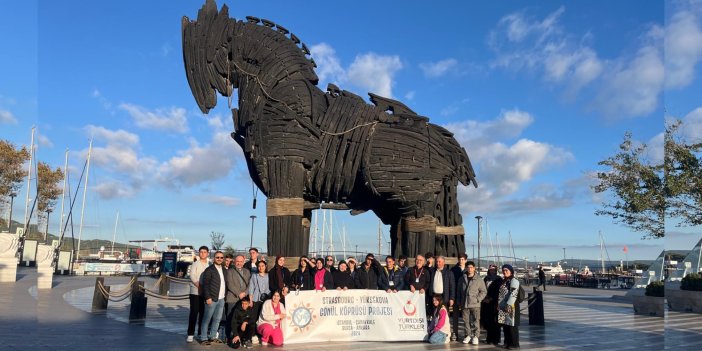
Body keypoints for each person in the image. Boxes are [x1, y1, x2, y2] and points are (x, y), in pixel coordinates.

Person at [201, 251, 227, 345]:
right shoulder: (209, 270)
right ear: (213, 258)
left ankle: (212, 336)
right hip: (211, 298)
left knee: (217, 319)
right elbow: (205, 284)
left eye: (221, 257)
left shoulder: (224, 269)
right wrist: (207, 297)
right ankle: (203, 338)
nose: (219, 259)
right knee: (207, 319)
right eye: (217, 257)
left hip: (221, 299)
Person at [457, 261, 486, 345]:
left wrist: (478, 299)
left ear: (474, 268)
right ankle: (468, 335)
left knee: (476, 321)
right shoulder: (462, 278)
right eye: (468, 267)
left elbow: (483, 291)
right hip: (464, 304)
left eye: (471, 267)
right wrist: (459, 301)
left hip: (475, 304)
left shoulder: (479, 279)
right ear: (466, 268)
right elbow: (459, 291)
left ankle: (476, 336)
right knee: (466, 321)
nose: (469, 269)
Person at [225, 255, 250, 343]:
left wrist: (245, 293)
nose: (239, 263)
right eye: (237, 261)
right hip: (233, 298)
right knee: (230, 318)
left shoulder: (247, 271)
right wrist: (239, 293)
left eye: (241, 261)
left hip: (243, 299)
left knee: (242, 318)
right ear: (234, 262)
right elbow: (230, 284)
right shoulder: (230, 271)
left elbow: (250, 284)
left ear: (243, 262)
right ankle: (228, 336)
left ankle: (239, 336)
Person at [187, 246, 210, 343]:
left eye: (205, 252)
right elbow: (192, 275)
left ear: (208, 253)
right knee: (194, 312)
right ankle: (190, 334)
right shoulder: (195, 264)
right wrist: (199, 286)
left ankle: (201, 333)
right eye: (201, 252)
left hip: (206, 293)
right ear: (199, 253)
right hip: (195, 292)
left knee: (203, 314)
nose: (203, 254)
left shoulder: (210, 265)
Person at [498, 264, 520, 349]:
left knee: (512, 326)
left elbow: (514, 293)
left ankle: (515, 344)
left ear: (511, 271)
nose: (505, 272)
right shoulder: (505, 281)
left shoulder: (514, 280)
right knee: (505, 325)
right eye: (503, 270)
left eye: (506, 270)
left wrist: (509, 304)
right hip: (503, 306)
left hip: (511, 307)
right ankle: (507, 342)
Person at [482, 264, 503, 345]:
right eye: (491, 269)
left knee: (496, 322)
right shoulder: (486, 278)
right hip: (486, 303)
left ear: (496, 270)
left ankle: (496, 340)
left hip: (495, 303)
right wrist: (484, 298)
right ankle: (489, 339)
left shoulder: (499, 279)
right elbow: (483, 289)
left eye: (494, 270)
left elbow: (499, 292)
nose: (492, 271)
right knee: (488, 322)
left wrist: (491, 299)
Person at [450, 253, 468, 341]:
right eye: (460, 259)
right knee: (455, 316)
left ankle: (466, 334)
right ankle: (455, 333)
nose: (461, 261)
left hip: (465, 297)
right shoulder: (453, 270)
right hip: (456, 296)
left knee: (465, 317)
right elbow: (452, 284)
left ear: (465, 260)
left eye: (462, 259)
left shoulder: (469, 269)